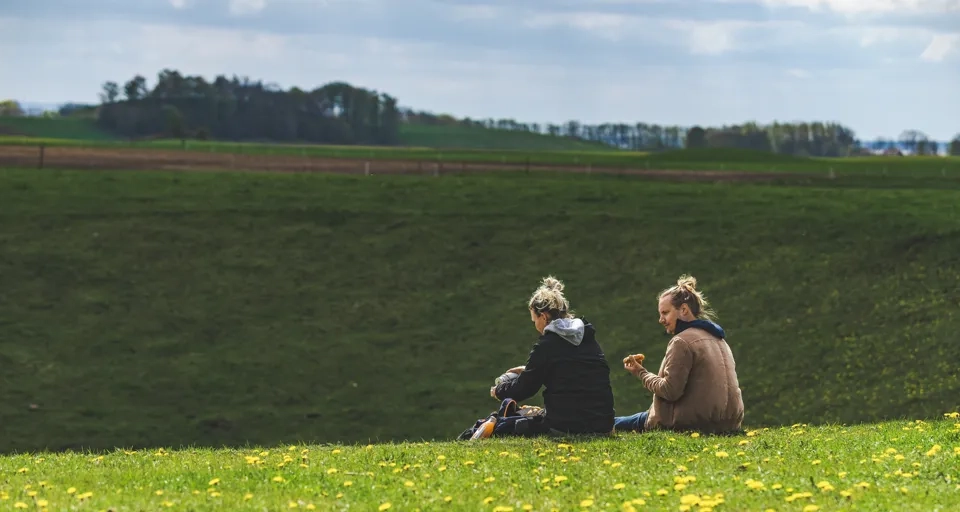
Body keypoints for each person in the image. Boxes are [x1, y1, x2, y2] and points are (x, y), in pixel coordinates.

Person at [615, 275, 744, 435]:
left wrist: (641, 373)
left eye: (665, 313)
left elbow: (670, 391)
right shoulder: (719, 339)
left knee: (610, 422)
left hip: (690, 423)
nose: (661, 320)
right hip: (728, 424)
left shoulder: (681, 341)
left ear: (683, 310)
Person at [489, 276, 616, 437]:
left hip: (566, 426)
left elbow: (525, 388)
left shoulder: (546, 345)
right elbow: (571, 370)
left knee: (508, 420)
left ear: (543, 316)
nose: (536, 326)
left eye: (534, 320)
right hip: (603, 425)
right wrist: (528, 370)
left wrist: (499, 391)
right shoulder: (588, 339)